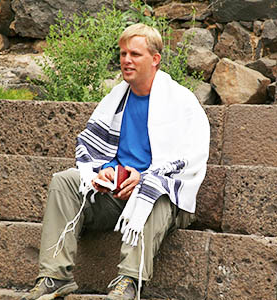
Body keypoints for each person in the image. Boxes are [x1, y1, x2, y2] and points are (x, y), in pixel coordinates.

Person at [21, 23, 210, 300]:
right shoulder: (115, 99)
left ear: (155, 59)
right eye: (122, 54)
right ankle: (55, 276)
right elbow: (93, 147)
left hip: (165, 200)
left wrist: (144, 179)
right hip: (116, 195)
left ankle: (128, 282)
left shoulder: (182, 102)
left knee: (154, 189)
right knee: (65, 181)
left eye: (135, 54)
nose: (126, 60)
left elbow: (189, 159)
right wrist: (105, 172)